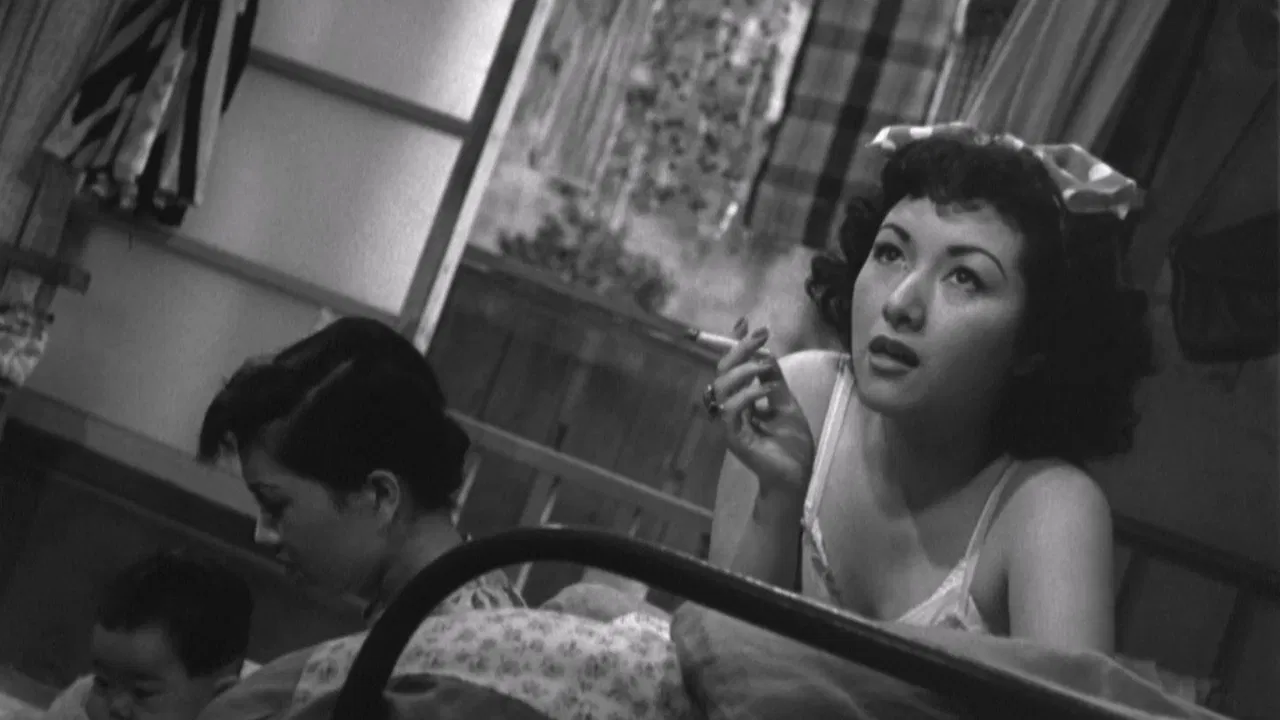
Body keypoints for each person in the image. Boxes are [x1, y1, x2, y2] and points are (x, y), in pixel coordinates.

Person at [704, 123, 1153, 653]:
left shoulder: (1048, 506)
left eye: (965, 278)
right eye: (891, 253)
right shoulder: (802, 400)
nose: (900, 303)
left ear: (1035, 341)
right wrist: (778, 498)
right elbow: (717, 661)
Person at [192, 316, 524, 720]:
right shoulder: (443, 619)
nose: (263, 534)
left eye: (276, 506)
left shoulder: (456, 661)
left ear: (380, 496)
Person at [41, 551, 255, 720]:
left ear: (222, 700)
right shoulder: (76, 707)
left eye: (141, 693)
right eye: (103, 683)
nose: (116, 707)